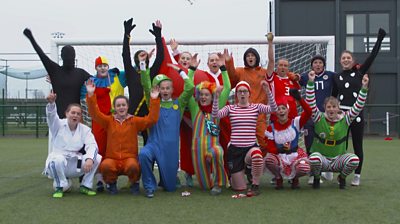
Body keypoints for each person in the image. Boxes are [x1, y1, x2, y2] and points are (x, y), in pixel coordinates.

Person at [86, 79, 160, 195]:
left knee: (133, 166)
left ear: (127, 106)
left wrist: (154, 100)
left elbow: (152, 119)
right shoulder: (109, 121)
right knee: (105, 165)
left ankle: (134, 183)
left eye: (123, 105)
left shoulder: (134, 121)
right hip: (113, 158)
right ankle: (111, 183)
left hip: (129, 158)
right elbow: (94, 114)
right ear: (114, 107)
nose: (121, 107)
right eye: (118, 105)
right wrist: (91, 94)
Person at [332, 28, 386, 186]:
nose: (346, 60)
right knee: (340, 145)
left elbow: (372, 57)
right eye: (344, 58)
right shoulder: (337, 76)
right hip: (341, 116)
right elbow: (332, 96)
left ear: (353, 60)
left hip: (356, 114)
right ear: (340, 61)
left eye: (348, 57)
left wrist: (379, 40)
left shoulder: (360, 72)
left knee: (357, 145)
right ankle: (339, 174)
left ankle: (357, 175)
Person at [138, 60, 194, 198]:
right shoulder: (153, 103)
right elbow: (146, 85)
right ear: (158, 90)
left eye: (167, 88)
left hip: (170, 150)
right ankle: (150, 186)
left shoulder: (178, 104)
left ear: (172, 90)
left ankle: (167, 179)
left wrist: (181, 71)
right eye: (161, 88)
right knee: (143, 154)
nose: (164, 91)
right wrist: (143, 65)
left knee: (170, 188)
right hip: (154, 144)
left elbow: (190, 87)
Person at [212, 80, 277, 196]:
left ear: (249, 94)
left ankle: (255, 185)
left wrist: (268, 92)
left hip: (250, 148)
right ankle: (242, 172)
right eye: (240, 91)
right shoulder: (230, 108)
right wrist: (216, 98)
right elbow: (215, 115)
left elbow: (273, 109)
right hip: (235, 150)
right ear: (236, 94)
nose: (242, 94)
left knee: (257, 156)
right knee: (239, 188)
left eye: (245, 91)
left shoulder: (255, 107)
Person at [307, 71, 369, 189]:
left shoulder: (346, 119)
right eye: (329, 107)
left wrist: (364, 88)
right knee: (313, 158)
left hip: (338, 160)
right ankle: (316, 177)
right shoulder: (318, 117)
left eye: (334, 107)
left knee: (354, 160)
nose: (331, 109)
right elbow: (310, 102)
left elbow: (358, 106)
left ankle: (342, 177)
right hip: (322, 159)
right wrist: (311, 82)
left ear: (338, 108)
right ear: (325, 108)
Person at [186, 53, 230, 195]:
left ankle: (218, 183)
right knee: (205, 186)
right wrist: (192, 69)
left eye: (207, 95)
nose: (204, 97)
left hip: (213, 146)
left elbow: (227, 88)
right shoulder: (194, 108)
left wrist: (223, 68)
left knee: (218, 152)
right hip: (197, 149)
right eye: (202, 95)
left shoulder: (217, 108)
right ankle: (209, 181)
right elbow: (188, 88)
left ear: (212, 97)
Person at [44, 90, 101, 198]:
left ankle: (85, 185)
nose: (75, 115)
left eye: (78, 114)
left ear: (80, 117)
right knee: (57, 159)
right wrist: (51, 104)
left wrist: (89, 159)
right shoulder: (57, 125)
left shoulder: (85, 130)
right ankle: (60, 186)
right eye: (73, 113)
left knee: (96, 158)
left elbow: (92, 145)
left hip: (76, 165)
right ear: (66, 114)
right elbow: (51, 117)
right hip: (58, 165)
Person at [81, 56, 126, 192]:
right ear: (96, 68)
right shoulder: (91, 82)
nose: (102, 68)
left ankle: (111, 180)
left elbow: (132, 71)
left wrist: (141, 63)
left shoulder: (118, 77)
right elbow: (84, 97)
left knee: (112, 149)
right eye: (100, 66)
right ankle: (100, 179)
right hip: (98, 121)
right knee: (99, 149)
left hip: (115, 119)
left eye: (105, 65)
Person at [23, 28, 91, 118]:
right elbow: (41, 55)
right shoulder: (62, 72)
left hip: (74, 120)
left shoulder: (77, 73)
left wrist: (31, 38)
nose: (69, 58)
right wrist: (31, 38)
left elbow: (98, 82)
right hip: (59, 121)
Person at [122, 18, 164, 145]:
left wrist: (158, 36)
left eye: (145, 55)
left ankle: (148, 165)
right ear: (136, 59)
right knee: (129, 145)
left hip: (148, 115)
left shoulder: (151, 72)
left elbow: (160, 57)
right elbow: (125, 55)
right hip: (132, 114)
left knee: (148, 145)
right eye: (140, 55)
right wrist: (126, 34)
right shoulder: (130, 72)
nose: (143, 57)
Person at [224, 46, 270, 153]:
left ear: (256, 57)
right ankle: (242, 164)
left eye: (252, 55)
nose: (250, 58)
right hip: (242, 113)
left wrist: (292, 75)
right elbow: (232, 76)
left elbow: (277, 76)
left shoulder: (264, 72)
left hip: (259, 112)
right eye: (248, 56)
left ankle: (261, 165)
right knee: (239, 142)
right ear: (245, 59)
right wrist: (229, 62)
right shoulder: (240, 71)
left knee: (264, 141)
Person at [264, 88, 312, 189]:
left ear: (288, 110)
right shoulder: (271, 128)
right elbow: (269, 147)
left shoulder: (295, 122)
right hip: (280, 156)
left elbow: (308, 112)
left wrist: (299, 99)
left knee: (304, 167)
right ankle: (278, 178)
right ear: (275, 112)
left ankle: (295, 178)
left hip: (295, 155)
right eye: (278, 109)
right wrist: (280, 149)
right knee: (269, 160)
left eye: (283, 108)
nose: (281, 111)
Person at [299, 55, 336, 184]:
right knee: (309, 143)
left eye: (320, 62)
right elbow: (294, 81)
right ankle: (312, 174)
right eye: (315, 63)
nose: (318, 65)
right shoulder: (305, 76)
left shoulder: (330, 76)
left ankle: (328, 169)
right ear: (312, 65)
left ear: (324, 65)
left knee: (324, 143)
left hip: (324, 117)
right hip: (309, 116)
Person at [266, 33, 300, 123]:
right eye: (280, 65)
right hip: (276, 116)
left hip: (292, 117)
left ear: (288, 68)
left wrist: (291, 105)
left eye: (285, 65)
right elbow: (271, 61)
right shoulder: (272, 78)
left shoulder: (292, 80)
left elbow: (299, 99)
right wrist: (270, 43)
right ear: (277, 67)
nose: (283, 67)